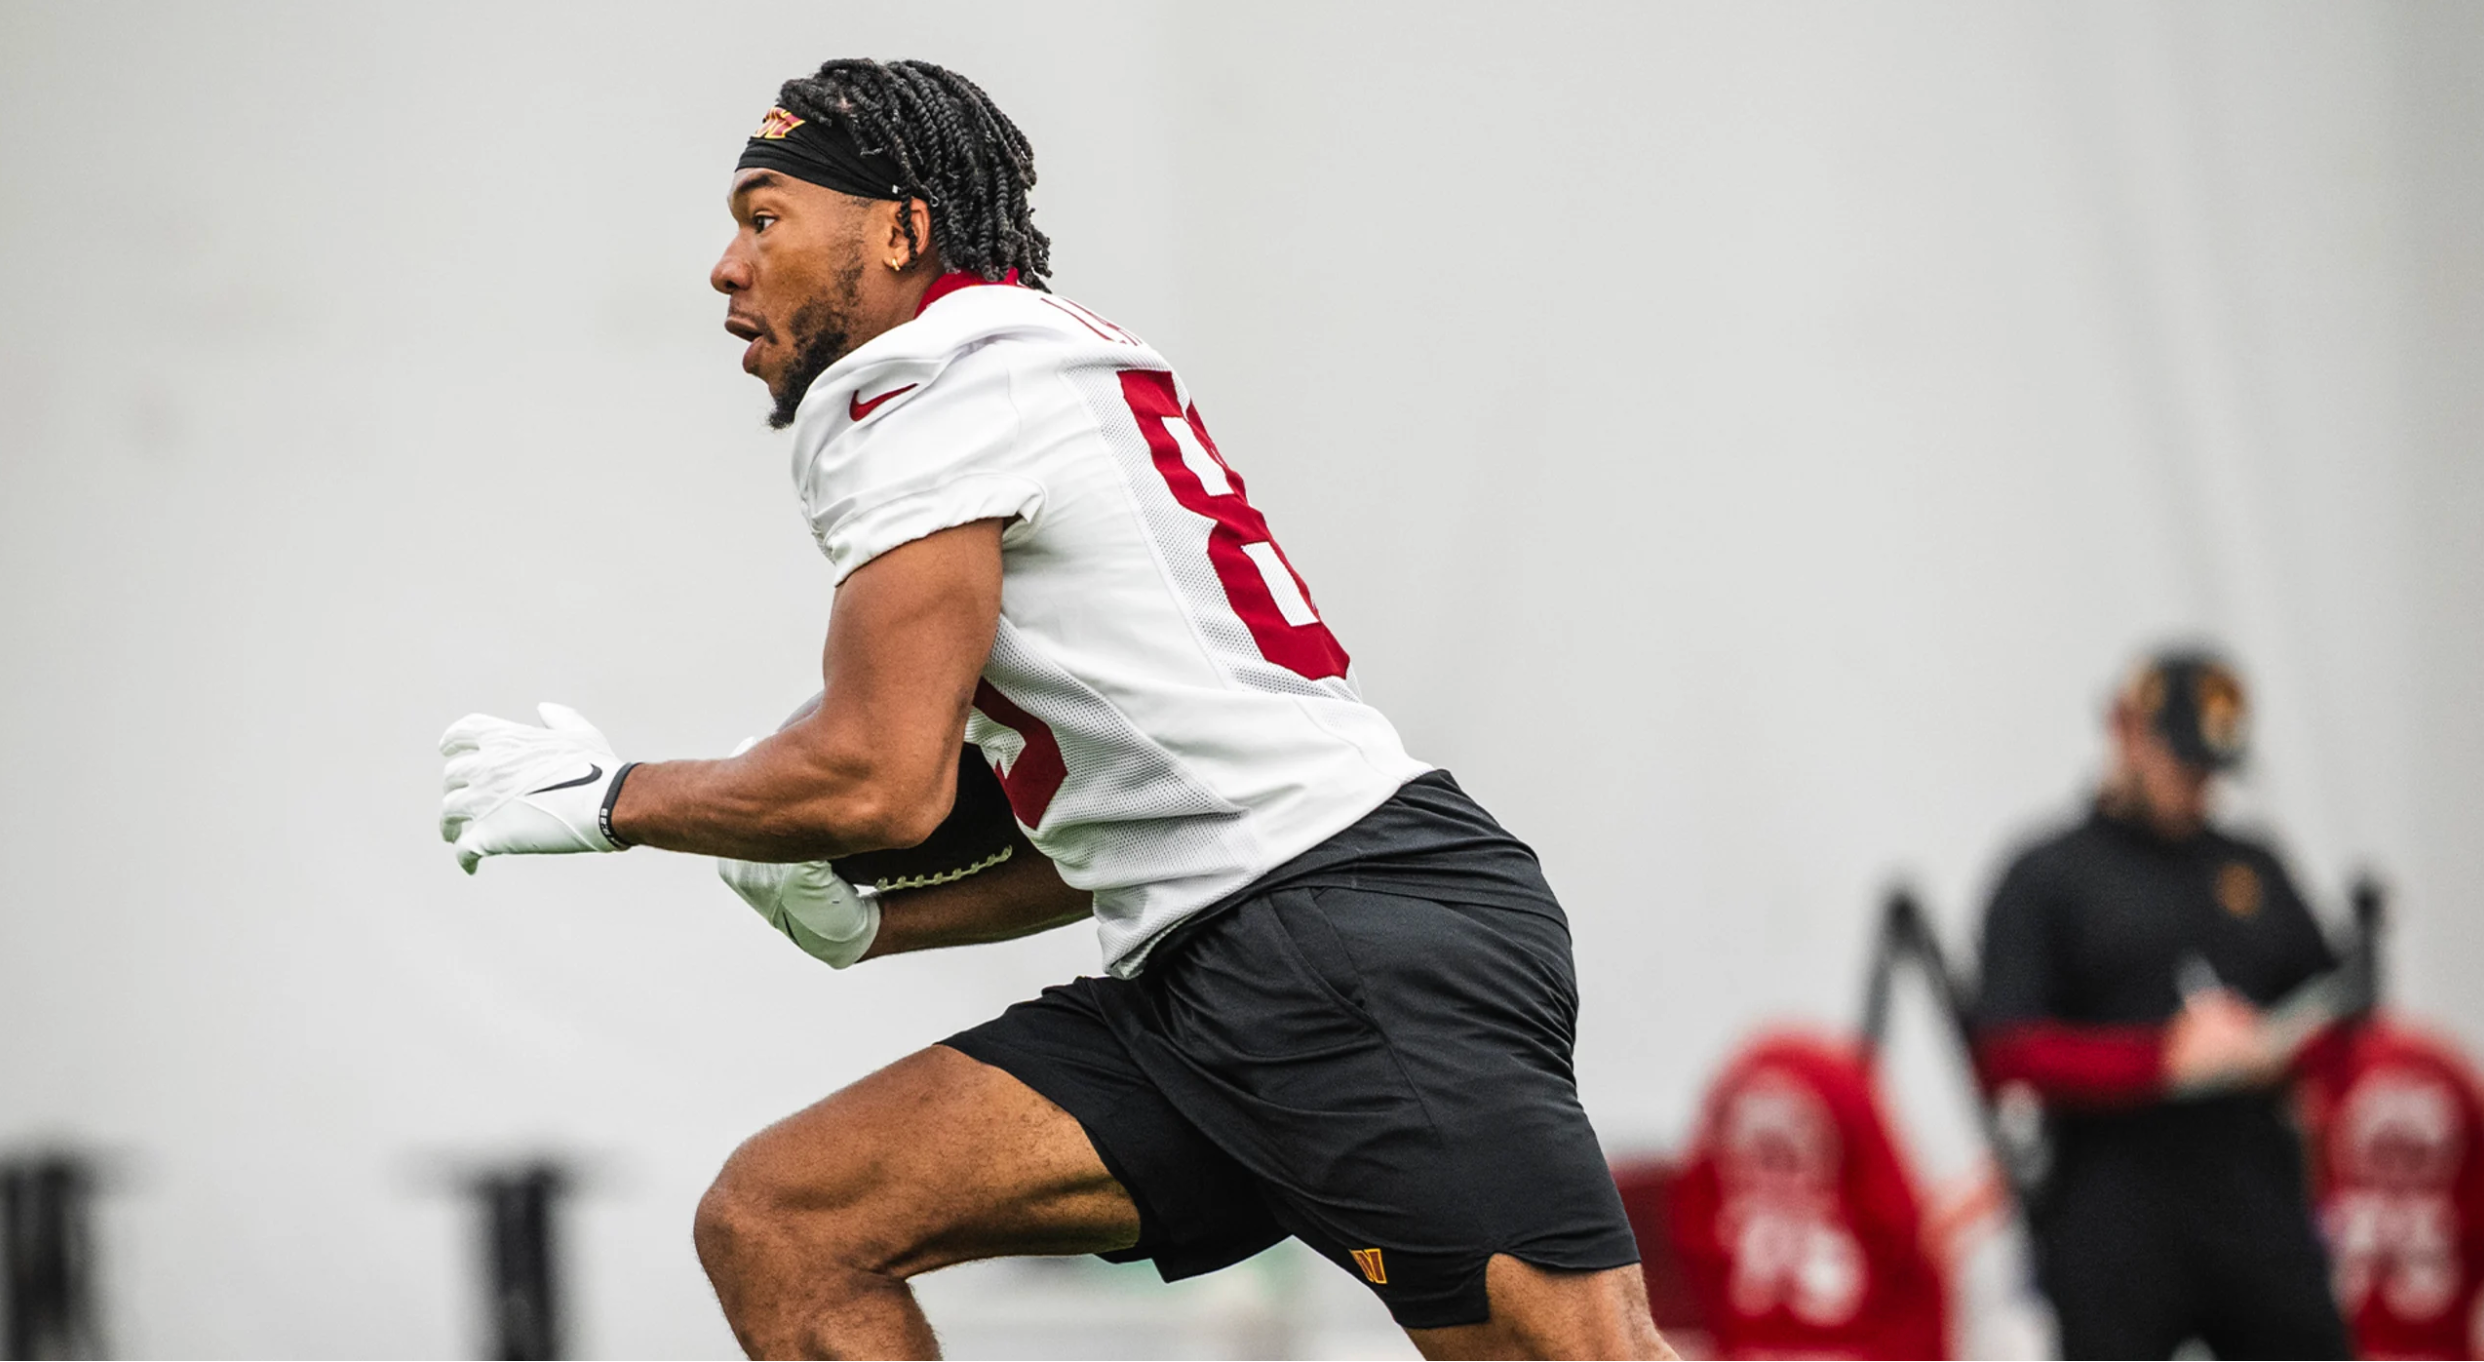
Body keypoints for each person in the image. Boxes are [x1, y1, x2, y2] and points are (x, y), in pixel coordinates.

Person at [436, 58, 1667, 1361]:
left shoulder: (922, 377)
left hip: (1331, 942)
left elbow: (877, 780)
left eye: (764, 216)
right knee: (785, 1220)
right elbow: (1139, 809)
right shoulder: (1033, 358)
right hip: (1223, 959)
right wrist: (879, 919)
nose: (726, 269)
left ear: (904, 228)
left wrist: (614, 800)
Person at [1971, 648, 2353, 1359]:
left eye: (2212, 771)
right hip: (2114, 1205)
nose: (2199, 787)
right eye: (2184, 763)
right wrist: (2161, 1061)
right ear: (2127, 734)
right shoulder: (2049, 874)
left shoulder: (2253, 865)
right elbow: (2007, 1049)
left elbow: (2337, 1010)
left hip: (2251, 1192)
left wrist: (2275, 1050)